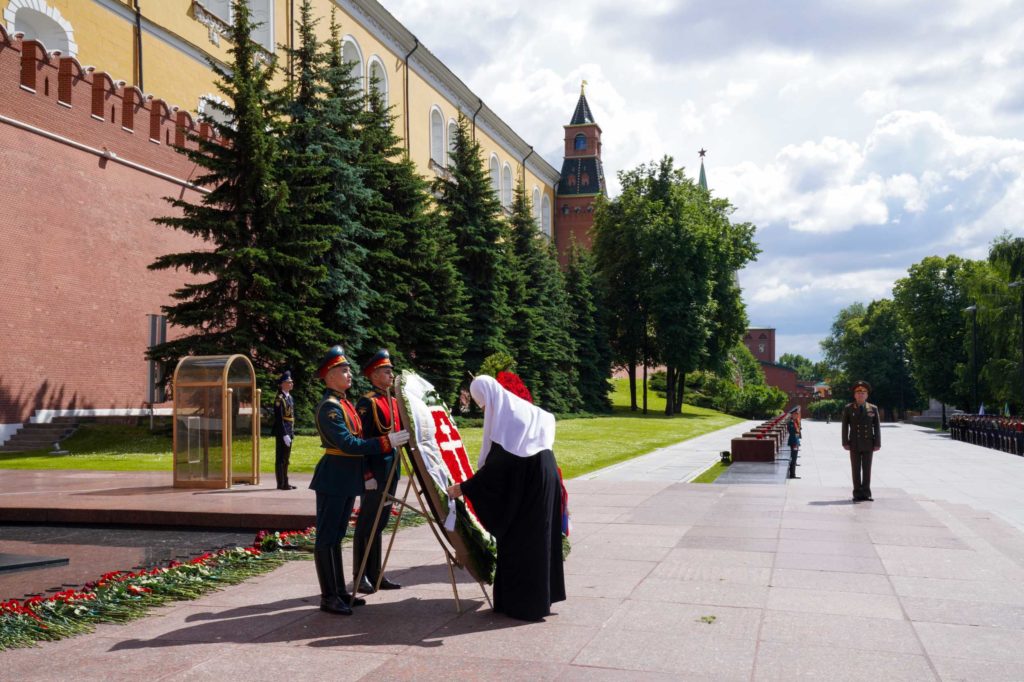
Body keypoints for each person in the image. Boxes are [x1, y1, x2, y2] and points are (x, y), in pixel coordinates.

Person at [446, 375, 566, 622]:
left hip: (531, 483)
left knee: (523, 540)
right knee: (539, 537)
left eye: (483, 405)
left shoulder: (508, 416)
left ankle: (526, 605)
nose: (485, 410)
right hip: (543, 476)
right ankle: (540, 597)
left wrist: (465, 487)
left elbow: (499, 468)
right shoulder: (517, 408)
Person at [310, 345, 410, 615]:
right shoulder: (329, 408)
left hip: (345, 478)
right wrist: (385, 442)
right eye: (343, 370)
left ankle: (340, 591)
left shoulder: (344, 404)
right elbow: (349, 443)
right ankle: (328, 596)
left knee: (337, 536)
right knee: (327, 538)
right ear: (329, 375)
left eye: (349, 369)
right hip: (333, 478)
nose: (349, 374)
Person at [353, 349, 403, 594]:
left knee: (380, 523)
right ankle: (360, 575)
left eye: (391, 370)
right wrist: (366, 475)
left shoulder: (392, 400)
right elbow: (362, 441)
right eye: (386, 370)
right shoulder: (367, 402)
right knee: (366, 523)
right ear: (373, 375)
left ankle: (375, 573)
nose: (390, 374)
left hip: (391, 469)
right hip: (374, 471)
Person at [841, 380, 881, 501]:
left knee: (867, 469)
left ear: (867, 395)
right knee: (856, 469)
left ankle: (866, 493)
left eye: (863, 392)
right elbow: (844, 426)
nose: (861, 395)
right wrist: (845, 442)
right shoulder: (849, 408)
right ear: (854, 395)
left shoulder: (873, 408)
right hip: (854, 443)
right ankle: (857, 493)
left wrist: (877, 443)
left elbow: (877, 427)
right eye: (858, 392)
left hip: (869, 443)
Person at [272, 370, 297, 490]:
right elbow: (279, 419)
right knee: (281, 458)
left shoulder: (290, 398)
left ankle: (285, 482)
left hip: (289, 432)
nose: (291, 384)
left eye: (291, 382)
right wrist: (284, 434)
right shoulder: (279, 399)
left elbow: (291, 417)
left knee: (286, 459)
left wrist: (291, 432)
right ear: (282, 384)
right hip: (283, 433)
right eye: (288, 382)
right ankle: (281, 483)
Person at [786, 405, 801, 480]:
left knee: (794, 458)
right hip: (794, 442)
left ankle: (793, 473)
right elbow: (793, 434)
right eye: (796, 414)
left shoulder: (795, 422)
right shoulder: (791, 423)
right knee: (794, 458)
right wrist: (796, 444)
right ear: (793, 414)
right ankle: (792, 474)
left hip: (796, 442)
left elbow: (797, 432)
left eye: (797, 414)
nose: (797, 415)